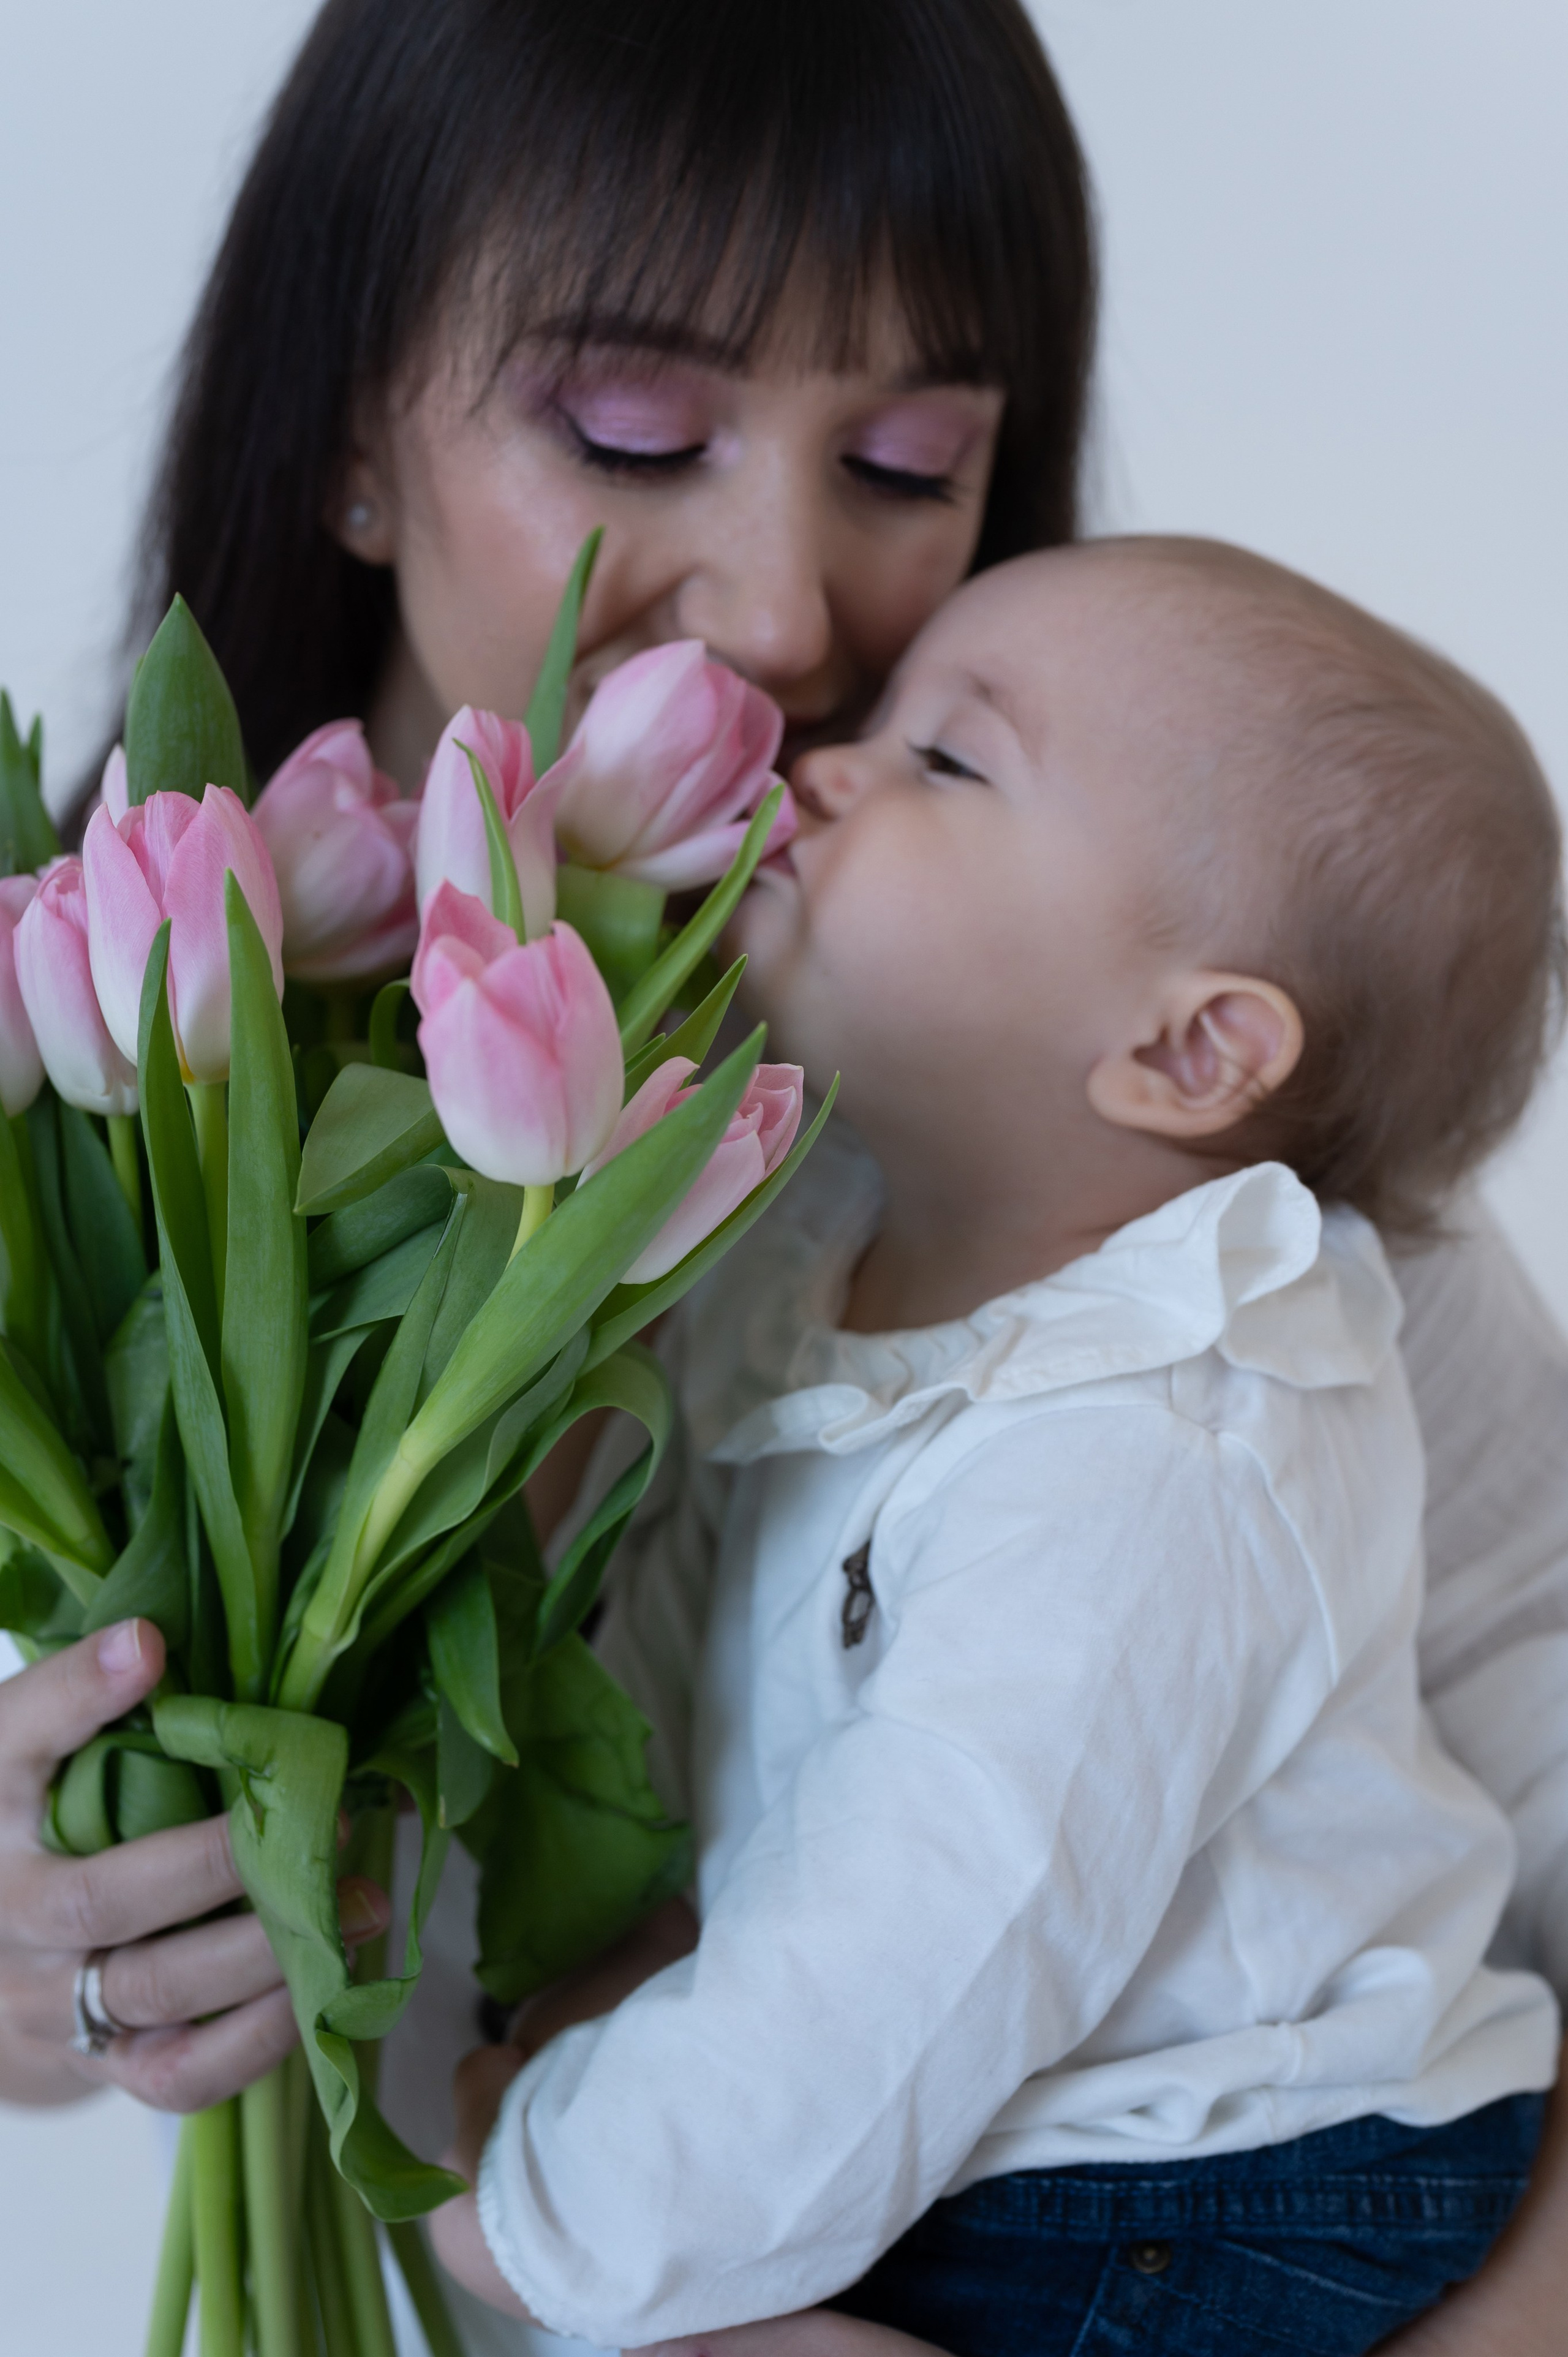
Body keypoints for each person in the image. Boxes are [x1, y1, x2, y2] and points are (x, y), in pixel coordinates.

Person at [0, 3, 1562, 2350]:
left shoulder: (1192, 1230)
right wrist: (50, 1970)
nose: (785, 614)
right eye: (636, 431)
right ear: (346, 430)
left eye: (910, 464)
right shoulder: (102, 1086)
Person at [424, 537, 1564, 2354]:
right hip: (1051, 2136)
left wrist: (570, 2195)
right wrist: (645, 1959)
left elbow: (941, 1908)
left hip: (1224, 2191)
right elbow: (753, 1710)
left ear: (1190, 1054)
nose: (828, 759)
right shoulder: (839, 1264)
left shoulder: (1157, 1443)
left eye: (948, 761)